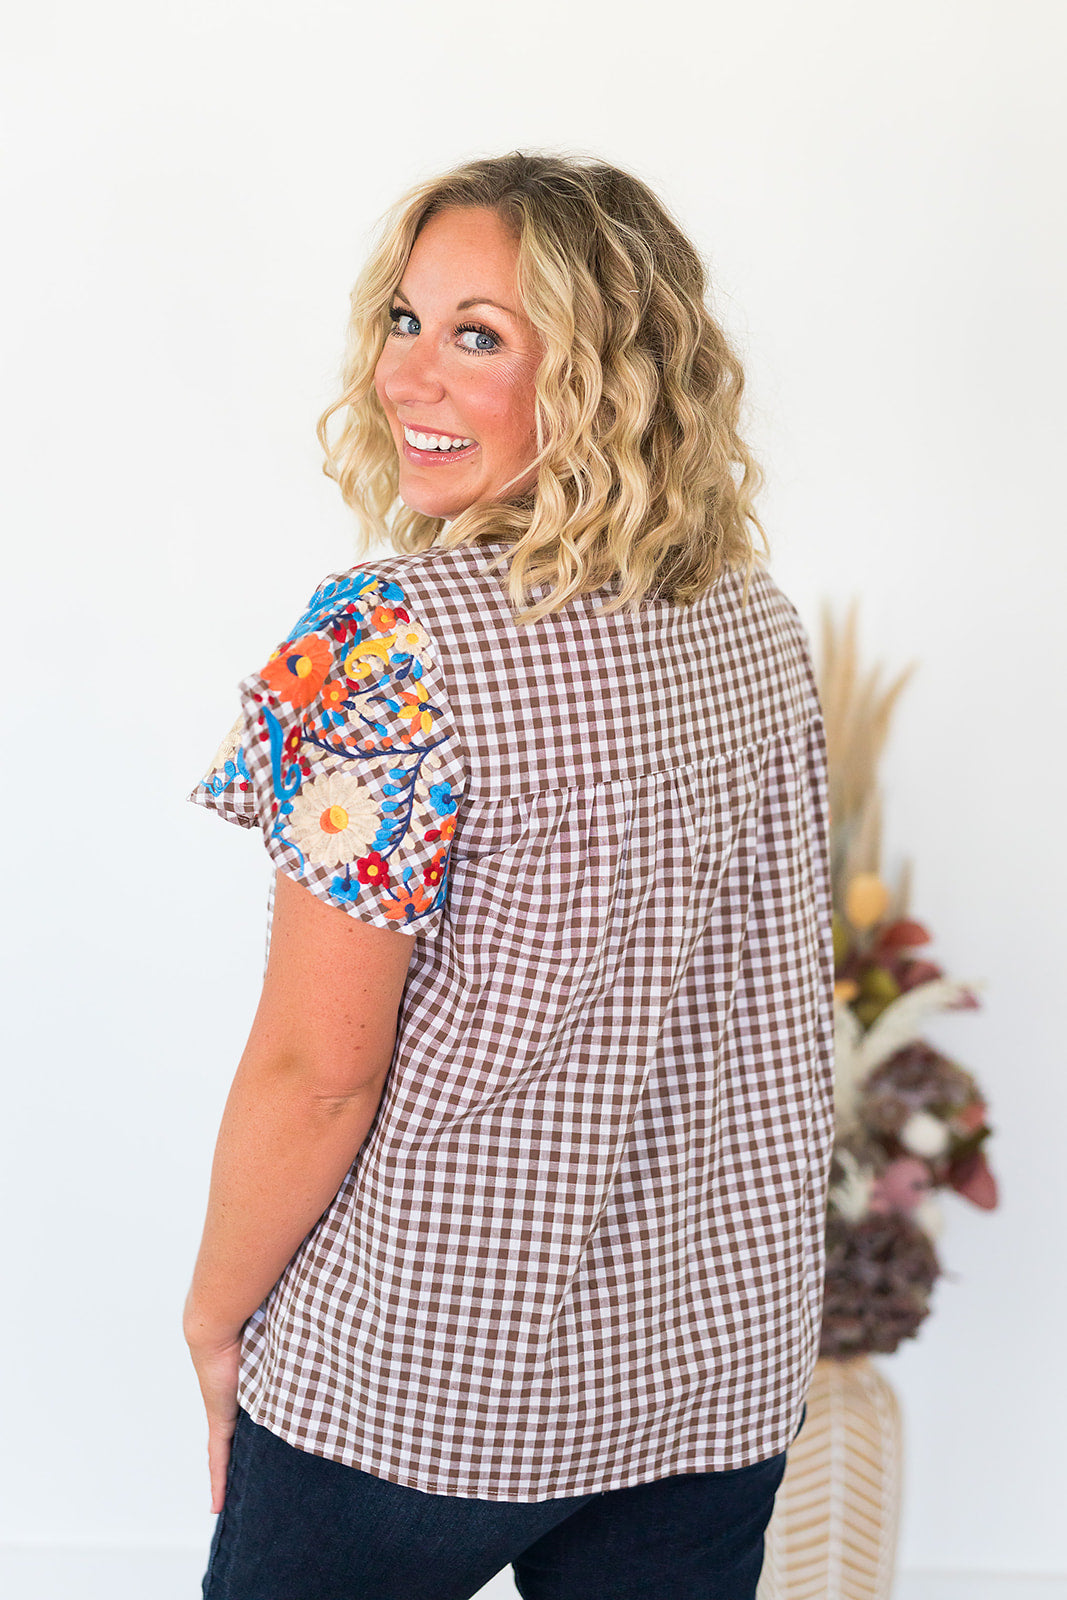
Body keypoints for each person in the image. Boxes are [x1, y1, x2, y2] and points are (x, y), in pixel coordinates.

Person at [184, 150, 835, 1600]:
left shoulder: (386, 643)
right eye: (404, 320)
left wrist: (215, 1317)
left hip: (424, 1377)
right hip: (709, 1369)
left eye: (478, 335)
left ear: (608, 378)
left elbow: (316, 1072)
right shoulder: (755, 624)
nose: (406, 376)